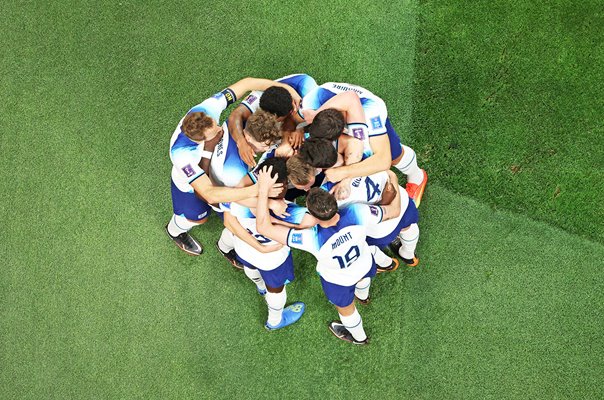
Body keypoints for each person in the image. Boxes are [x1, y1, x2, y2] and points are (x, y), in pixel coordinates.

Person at [255, 167, 403, 345]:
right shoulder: (358, 211)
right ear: (334, 201)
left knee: (347, 310)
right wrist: (393, 177)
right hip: (364, 262)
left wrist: (263, 190)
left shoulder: (309, 238)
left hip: (338, 280)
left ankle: (359, 337)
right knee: (363, 279)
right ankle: (364, 297)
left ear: (311, 214)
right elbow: (394, 210)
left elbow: (263, 227)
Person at [165, 77, 295, 256]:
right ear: (200, 140)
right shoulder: (181, 154)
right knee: (196, 218)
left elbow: (248, 83)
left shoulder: (206, 110)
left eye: (217, 125)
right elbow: (208, 194)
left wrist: (289, 92)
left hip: (216, 174)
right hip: (190, 184)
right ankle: (174, 231)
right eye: (214, 132)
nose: (220, 130)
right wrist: (259, 190)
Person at [302, 82, 428, 207]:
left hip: (370, 110)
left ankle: (417, 177)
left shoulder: (369, 115)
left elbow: (383, 161)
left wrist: (344, 174)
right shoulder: (311, 105)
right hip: (335, 112)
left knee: (393, 155)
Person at [221, 158, 306, 330]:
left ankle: (260, 287)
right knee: (276, 290)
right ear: (282, 186)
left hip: (244, 248)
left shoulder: (236, 197)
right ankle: (275, 321)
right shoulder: (291, 211)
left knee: (251, 269)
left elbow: (228, 221)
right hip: (272, 259)